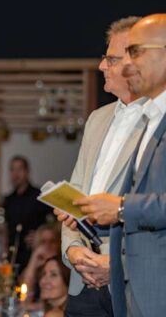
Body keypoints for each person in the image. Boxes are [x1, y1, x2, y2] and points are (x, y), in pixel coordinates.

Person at [73, 14, 166, 317]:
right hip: (115, 285)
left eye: (136, 53)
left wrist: (121, 208)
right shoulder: (150, 117)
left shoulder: (152, 118)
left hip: (149, 285)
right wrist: (73, 249)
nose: (127, 65)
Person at [55, 17, 147, 317]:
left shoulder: (158, 123)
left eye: (111, 59)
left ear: (138, 63)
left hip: (134, 285)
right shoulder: (98, 118)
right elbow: (75, 196)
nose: (101, 66)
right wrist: (72, 251)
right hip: (83, 281)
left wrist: (118, 265)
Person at [3, 156, 52, 272]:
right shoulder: (8, 200)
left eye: (19, 169)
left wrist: (41, 235)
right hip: (13, 259)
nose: (16, 174)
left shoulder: (40, 196)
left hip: (35, 256)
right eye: (13, 169)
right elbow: (6, 229)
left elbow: (57, 221)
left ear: (27, 171)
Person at [20, 223, 61, 302]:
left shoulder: (64, 266)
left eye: (52, 241)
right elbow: (24, 296)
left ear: (59, 243)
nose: (47, 246)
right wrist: (34, 258)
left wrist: (31, 307)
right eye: (43, 242)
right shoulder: (36, 264)